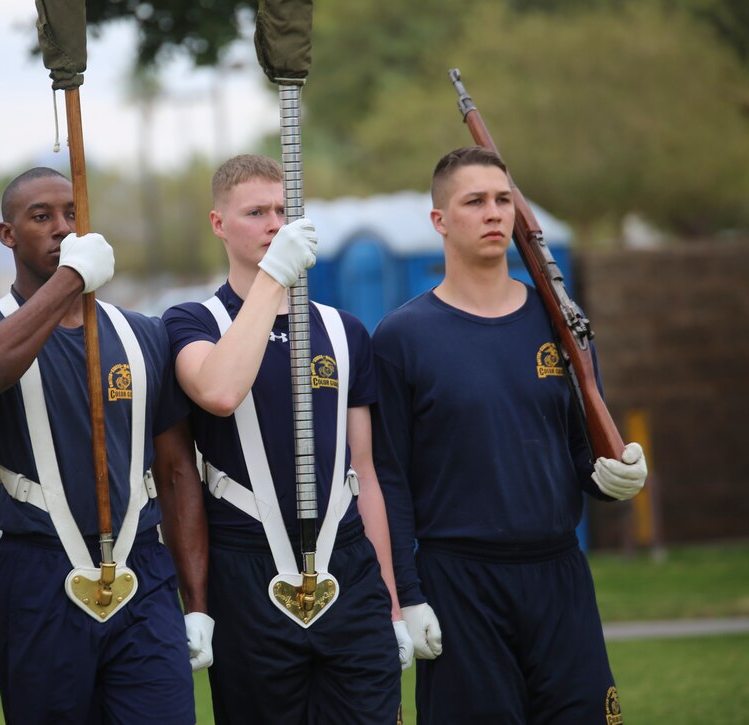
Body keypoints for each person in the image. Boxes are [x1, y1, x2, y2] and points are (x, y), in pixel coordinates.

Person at [372, 145, 649, 724]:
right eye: (474, 201)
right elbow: (388, 478)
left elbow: (581, 454)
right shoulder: (402, 337)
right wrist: (408, 594)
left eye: (503, 200)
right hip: (459, 581)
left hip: (560, 574)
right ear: (439, 221)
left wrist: (614, 478)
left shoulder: (560, 323)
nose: (494, 213)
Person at [0, 167, 199, 725]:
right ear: (7, 235)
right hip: (39, 574)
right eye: (41, 217)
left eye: (72, 215)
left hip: (144, 572)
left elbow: (177, 473)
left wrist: (197, 606)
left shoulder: (143, 334)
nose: (62, 228)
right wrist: (70, 279)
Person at [162, 153, 413, 725]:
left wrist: (394, 606)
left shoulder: (344, 332)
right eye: (255, 212)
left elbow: (365, 476)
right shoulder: (191, 322)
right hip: (245, 569)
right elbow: (220, 390)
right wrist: (274, 281)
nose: (274, 224)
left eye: (283, 210)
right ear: (218, 224)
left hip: (347, 567)